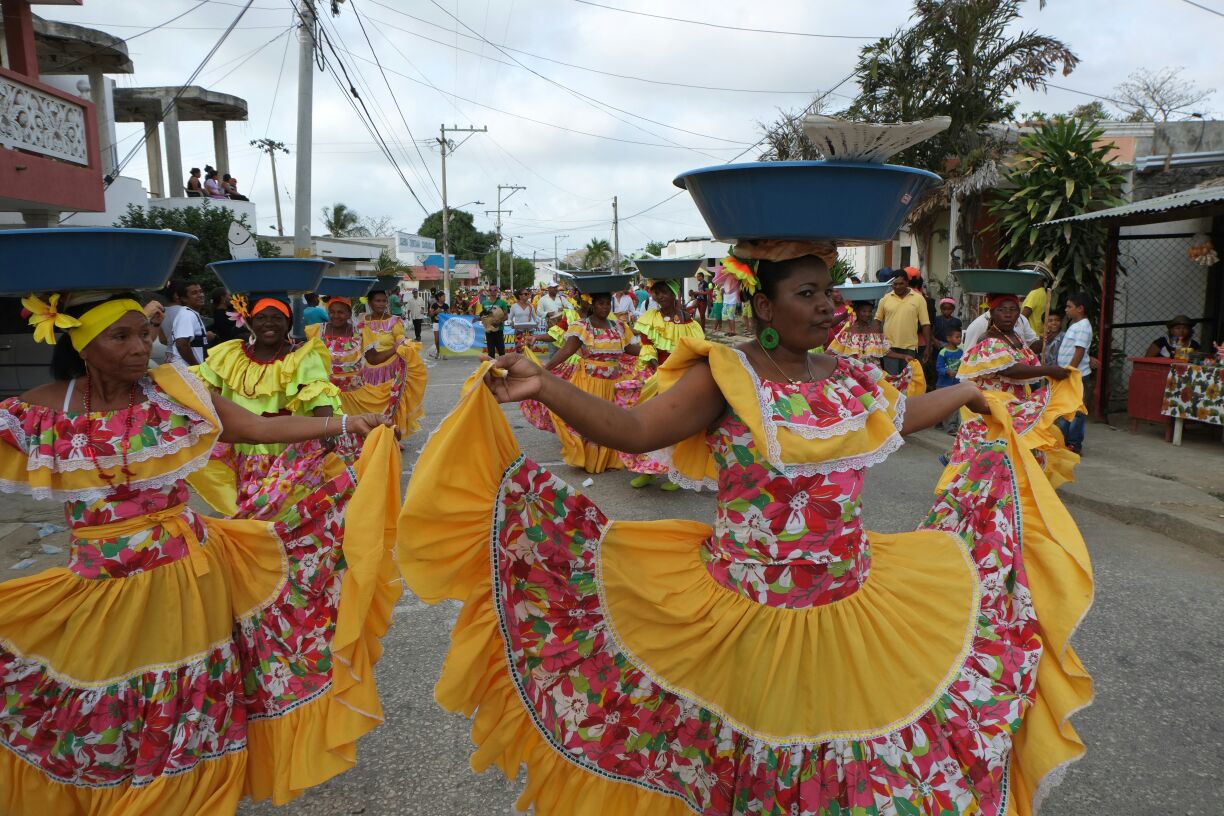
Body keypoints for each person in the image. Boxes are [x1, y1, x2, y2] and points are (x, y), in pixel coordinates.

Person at [400, 245, 1092, 816]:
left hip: (852, 604)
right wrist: (545, 386)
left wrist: (971, 392)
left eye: (829, 292)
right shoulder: (724, 375)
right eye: (807, 293)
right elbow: (637, 428)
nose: (826, 305)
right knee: (752, 759)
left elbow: (901, 416)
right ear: (764, 306)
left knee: (846, 760)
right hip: (747, 612)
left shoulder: (849, 377)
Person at [0, 290, 400, 814]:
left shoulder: (172, 393)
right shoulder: (40, 409)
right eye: (120, 337)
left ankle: (184, 798)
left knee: (186, 697)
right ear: (82, 345)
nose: (140, 347)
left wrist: (345, 423)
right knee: (101, 692)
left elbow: (256, 427)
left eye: (144, 333)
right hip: (99, 584)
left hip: (188, 575)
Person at [538, 288, 643, 473]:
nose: (605, 307)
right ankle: (588, 459)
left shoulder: (618, 326)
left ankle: (609, 460)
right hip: (589, 382)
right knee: (591, 421)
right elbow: (567, 350)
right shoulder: (582, 326)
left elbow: (631, 349)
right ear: (593, 305)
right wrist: (545, 369)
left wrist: (655, 351)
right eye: (601, 303)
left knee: (611, 422)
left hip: (613, 383)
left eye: (607, 303)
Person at [621, 278, 704, 489]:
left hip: (680, 377)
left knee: (674, 425)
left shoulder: (690, 322)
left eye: (664, 292)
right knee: (646, 421)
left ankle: (675, 472)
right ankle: (646, 471)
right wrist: (657, 368)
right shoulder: (651, 317)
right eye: (656, 293)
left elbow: (696, 351)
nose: (659, 297)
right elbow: (647, 345)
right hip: (654, 372)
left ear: (674, 294)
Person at [957, 294, 1069, 400]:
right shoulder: (988, 338)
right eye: (1001, 310)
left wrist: (1044, 339)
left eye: (1013, 309)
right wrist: (1049, 370)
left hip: (1016, 400)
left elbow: (1029, 352)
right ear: (992, 313)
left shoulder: (1015, 335)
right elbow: (1008, 370)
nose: (1008, 314)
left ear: (1019, 313)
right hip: (996, 405)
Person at [356, 288, 428, 436]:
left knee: (391, 402)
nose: (381, 304)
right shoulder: (363, 321)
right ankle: (375, 434)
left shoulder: (394, 321)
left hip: (391, 369)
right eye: (377, 301)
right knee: (372, 402)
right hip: (370, 369)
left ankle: (392, 433)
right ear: (370, 302)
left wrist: (405, 346)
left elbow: (400, 340)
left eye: (384, 301)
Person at [827, 299, 926, 397]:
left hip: (875, 373)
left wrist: (904, 356)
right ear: (856, 311)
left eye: (869, 311)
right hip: (856, 375)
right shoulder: (848, 332)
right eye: (864, 311)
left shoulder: (875, 331)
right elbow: (833, 350)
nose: (867, 314)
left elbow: (886, 352)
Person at [1056, 292, 1094, 455]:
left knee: (1077, 411)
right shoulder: (1076, 325)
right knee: (1066, 408)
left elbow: (1079, 350)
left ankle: (1074, 443)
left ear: (1080, 309)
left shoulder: (1084, 327)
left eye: (1069, 307)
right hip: (1070, 374)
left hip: (1076, 375)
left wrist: (1070, 370)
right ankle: (1063, 439)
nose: (1066, 310)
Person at [875, 272, 932, 375]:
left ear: (907, 282)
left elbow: (925, 324)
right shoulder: (885, 298)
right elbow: (877, 321)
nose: (897, 287)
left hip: (910, 348)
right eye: (894, 284)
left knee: (907, 381)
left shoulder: (919, 299)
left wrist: (928, 347)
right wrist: (878, 341)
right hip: (889, 347)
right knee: (892, 379)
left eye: (901, 283)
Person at [165, 278, 208, 365]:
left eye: (200, 291)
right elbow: (181, 345)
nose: (200, 295)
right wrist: (196, 367)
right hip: (186, 371)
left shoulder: (190, 313)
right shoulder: (187, 315)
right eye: (194, 293)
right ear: (184, 299)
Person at [935, 326, 964, 434]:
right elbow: (939, 367)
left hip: (956, 383)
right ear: (948, 338)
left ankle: (951, 427)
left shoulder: (961, 352)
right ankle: (941, 422)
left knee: (954, 405)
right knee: (944, 405)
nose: (959, 339)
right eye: (957, 337)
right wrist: (947, 371)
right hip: (943, 384)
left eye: (960, 337)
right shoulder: (943, 352)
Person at [428, 290, 449, 357]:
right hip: (436, 323)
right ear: (439, 297)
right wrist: (435, 312)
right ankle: (438, 351)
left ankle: (444, 353)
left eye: (445, 296)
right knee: (437, 340)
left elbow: (449, 315)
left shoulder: (446, 306)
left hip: (444, 324)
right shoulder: (434, 305)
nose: (444, 298)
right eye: (443, 296)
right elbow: (430, 315)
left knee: (444, 339)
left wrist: (446, 314)